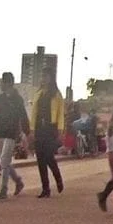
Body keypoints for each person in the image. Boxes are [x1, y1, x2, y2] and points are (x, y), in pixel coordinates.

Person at [28, 68, 66, 198]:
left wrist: (60, 129)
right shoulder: (38, 93)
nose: (44, 79)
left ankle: (58, 178)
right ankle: (45, 188)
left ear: (51, 78)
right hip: (39, 128)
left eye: (46, 76)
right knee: (40, 159)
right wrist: (32, 129)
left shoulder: (56, 94)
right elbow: (34, 113)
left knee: (49, 156)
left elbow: (61, 113)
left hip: (51, 128)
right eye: (42, 77)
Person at [0, 73, 27, 201]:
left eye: (3, 82)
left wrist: (26, 132)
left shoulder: (18, 99)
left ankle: (3, 191)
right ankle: (18, 181)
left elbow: (23, 116)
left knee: (4, 161)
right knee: (5, 162)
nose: (1, 84)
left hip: (11, 134)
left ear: (8, 83)